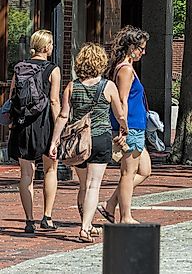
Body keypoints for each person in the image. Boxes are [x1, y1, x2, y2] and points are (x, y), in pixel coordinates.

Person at [49, 43, 128, 242]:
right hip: (100, 137)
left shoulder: (72, 86)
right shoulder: (108, 86)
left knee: (83, 185)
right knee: (94, 185)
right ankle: (85, 227)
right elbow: (119, 114)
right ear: (101, 62)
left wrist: (54, 141)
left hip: (79, 142)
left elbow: (63, 115)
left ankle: (87, 222)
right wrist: (124, 128)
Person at [7, 30, 62, 233]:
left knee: (26, 174)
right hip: (44, 124)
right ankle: (47, 217)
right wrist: (58, 130)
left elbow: (13, 96)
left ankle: (29, 220)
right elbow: (55, 101)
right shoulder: (52, 69)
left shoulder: (19, 67)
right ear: (47, 47)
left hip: (22, 125)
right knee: (50, 169)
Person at [98, 26, 152, 225]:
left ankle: (110, 204)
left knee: (145, 170)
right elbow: (122, 100)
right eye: (141, 48)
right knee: (128, 173)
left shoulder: (127, 67)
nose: (143, 52)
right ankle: (125, 216)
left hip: (137, 125)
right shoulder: (126, 69)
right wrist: (123, 126)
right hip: (131, 126)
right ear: (131, 47)